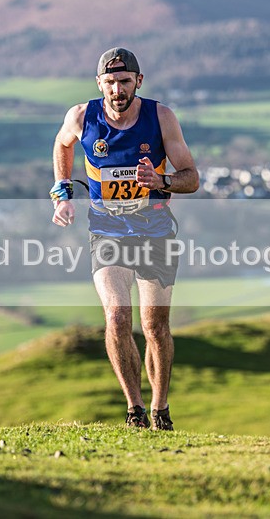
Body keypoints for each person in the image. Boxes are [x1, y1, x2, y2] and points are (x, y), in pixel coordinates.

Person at [50, 47, 199, 430]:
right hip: (107, 229)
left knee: (154, 327)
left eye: (125, 82)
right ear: (99, 83)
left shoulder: (161, 118)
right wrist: (62, 192)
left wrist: (162, 181)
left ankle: (160, 409)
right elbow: (62, 144)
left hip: (154, 229)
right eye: (110, 82)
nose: (117, 90)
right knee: (117, 317)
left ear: (139, 81)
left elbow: (191, 177)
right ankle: (134, 409)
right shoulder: (82, 116)